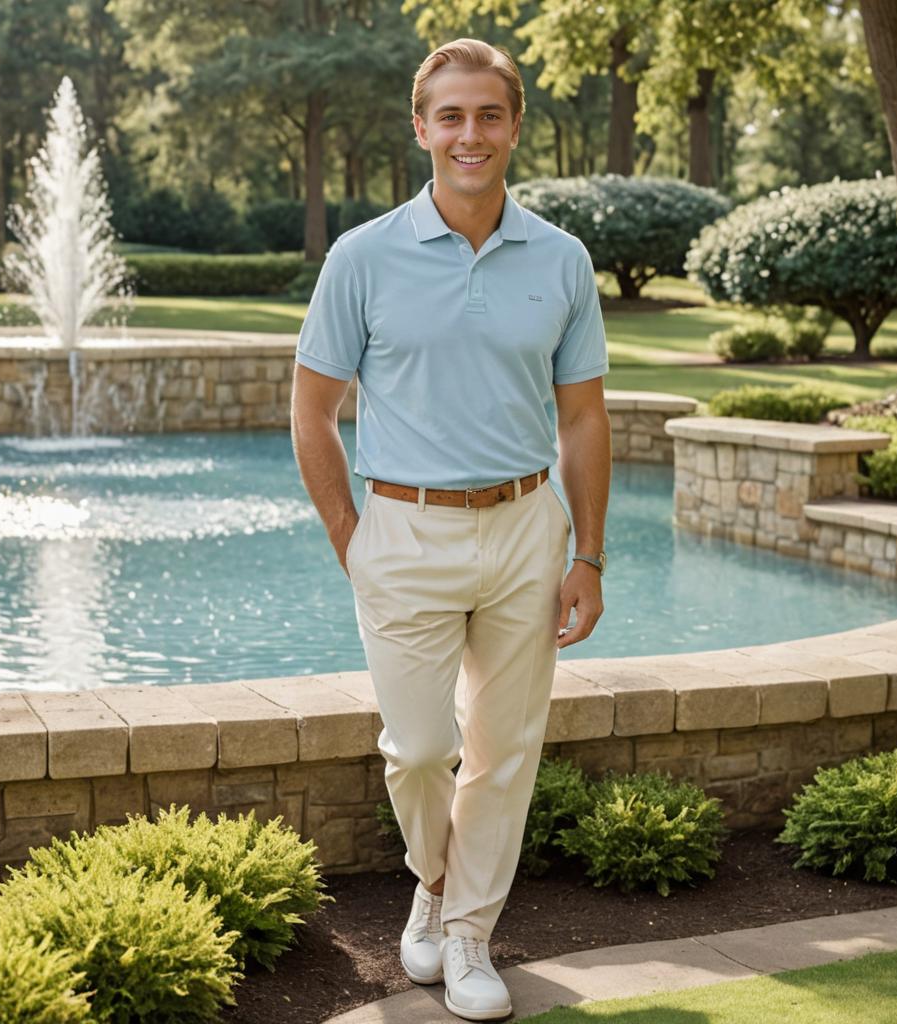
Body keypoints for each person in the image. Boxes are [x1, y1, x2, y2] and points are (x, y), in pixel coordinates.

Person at [291, 37, 610, 1022]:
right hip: (404, 528)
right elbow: (311, 411)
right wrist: (355, 538)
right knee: (420, 749)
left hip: (524, 528)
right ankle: (434, 886)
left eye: (489, 114)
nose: (469, 134)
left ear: (514, 125)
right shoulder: (364, 256)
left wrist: (587, 555)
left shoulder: (559, 258)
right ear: (421, 127)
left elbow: (585, 418)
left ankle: (467, 932)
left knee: (504, 751)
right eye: (451, 115)